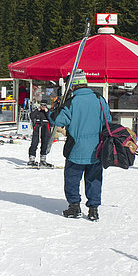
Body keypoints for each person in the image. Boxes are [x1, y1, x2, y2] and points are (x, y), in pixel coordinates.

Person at [50, 70, 111, 221]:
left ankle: (74, 207)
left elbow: (58, 121)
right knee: (94, 179)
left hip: (76, 149)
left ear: (73, 86)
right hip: (96, 149)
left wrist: (57, 109)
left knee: (72, 178)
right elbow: (107, 120)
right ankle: (93, 209)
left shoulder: (71, 102)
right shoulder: (99, 99)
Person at [28, 99, 52, 167]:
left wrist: (47, 111)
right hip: (38, 127)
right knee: (34, 143)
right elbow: (32, 116)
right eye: (41, 105)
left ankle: (43, 159)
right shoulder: (37, 111)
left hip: (46, 127)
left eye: (44, 105)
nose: (42, 107)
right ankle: (31, 159)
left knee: (45, 143)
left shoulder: (48, 111)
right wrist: (37, 110)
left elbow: (52, 118)